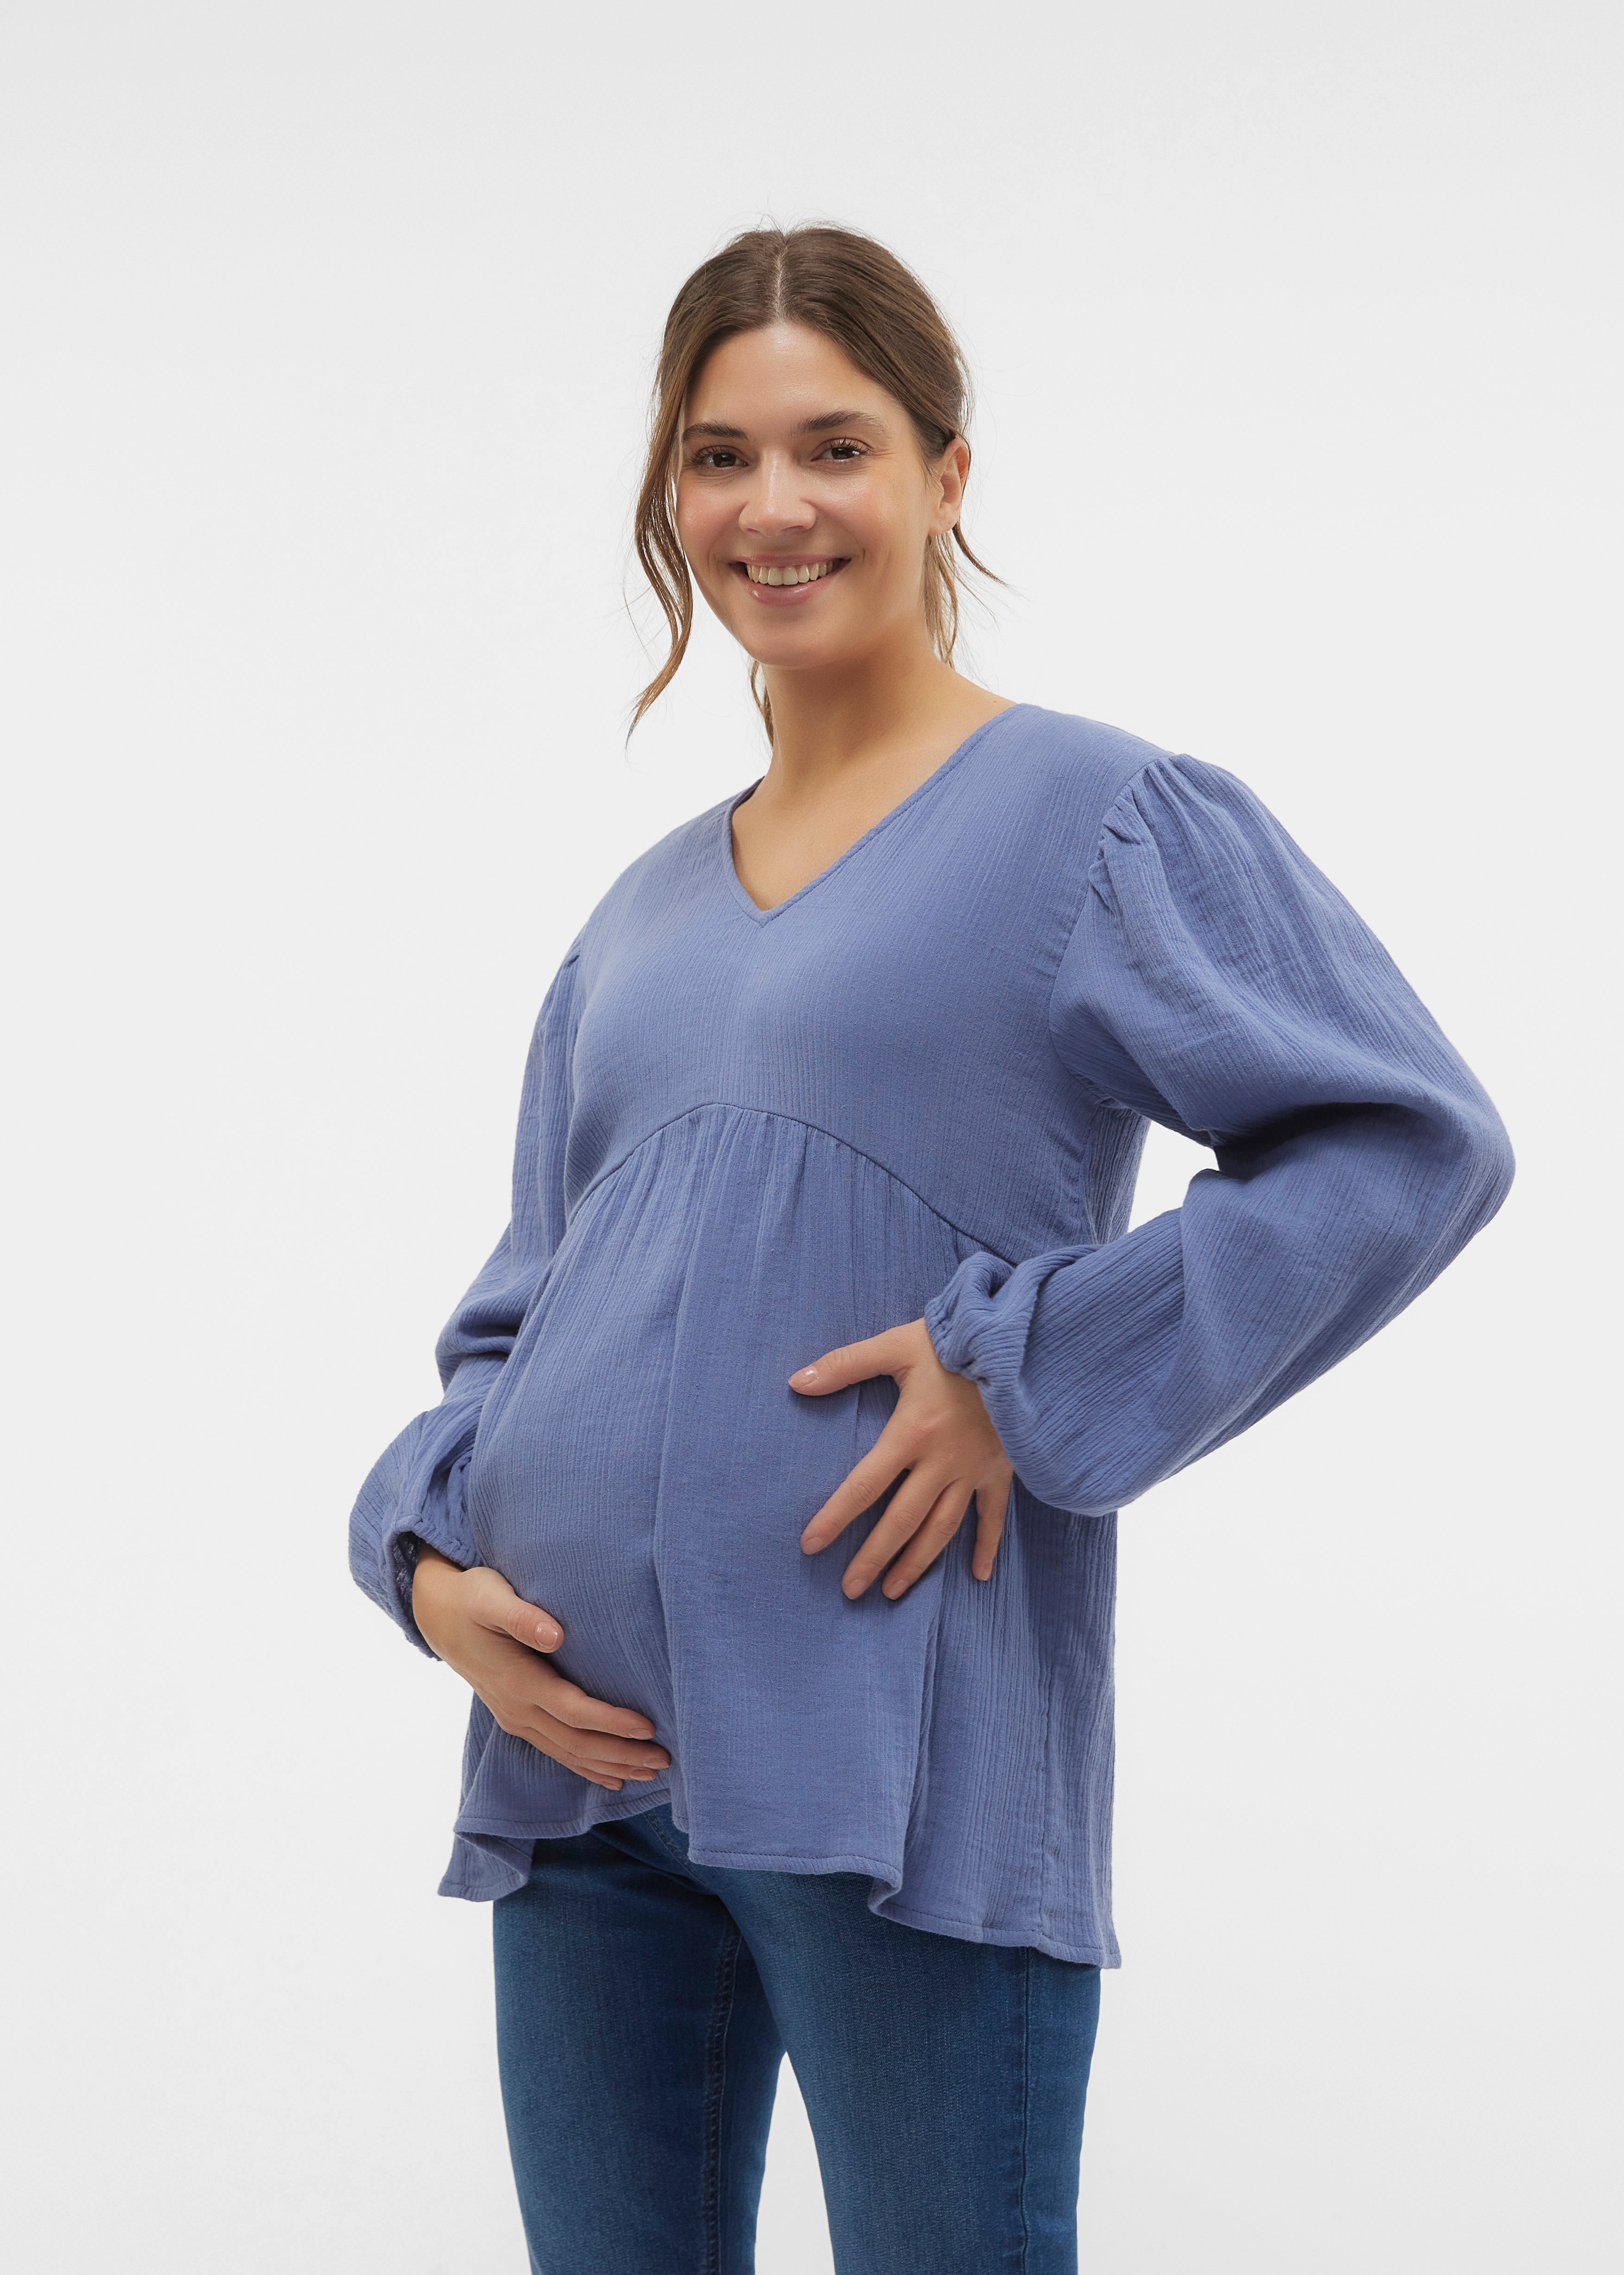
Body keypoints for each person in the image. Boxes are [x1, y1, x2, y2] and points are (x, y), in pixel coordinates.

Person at [349, 224, 1513, 2275]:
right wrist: (431, 1569)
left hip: (891, 1763)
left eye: (835, 447)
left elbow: (1404, 1142)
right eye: (719, 456)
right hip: (576, 1780)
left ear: (944, 473)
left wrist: (1029, 1371)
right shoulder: (636, 912)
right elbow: (523, 1311)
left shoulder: (1097, 816)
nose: (772, 508)